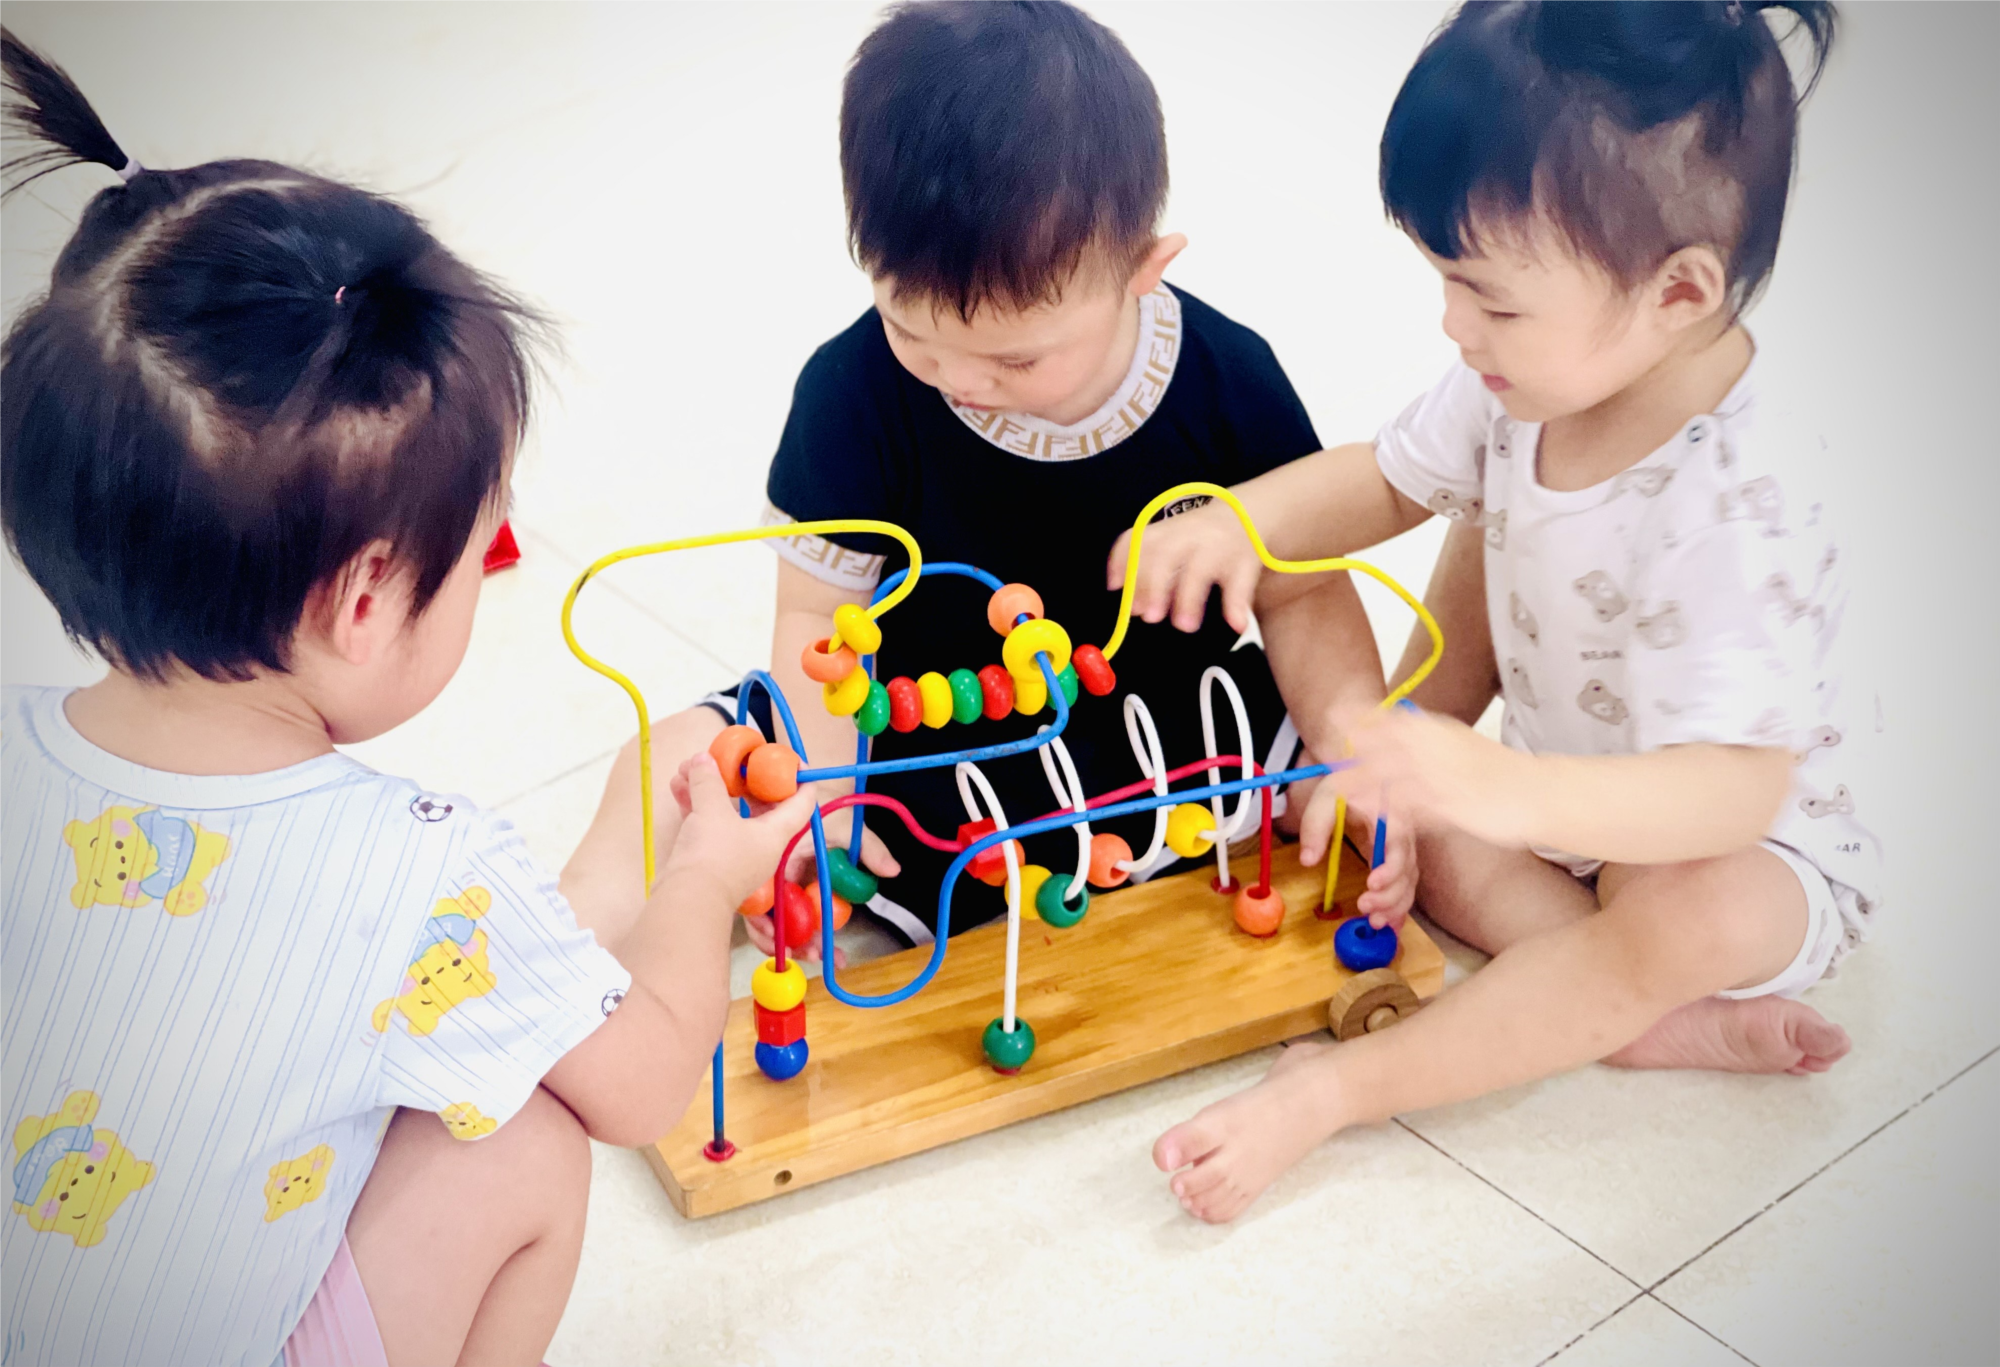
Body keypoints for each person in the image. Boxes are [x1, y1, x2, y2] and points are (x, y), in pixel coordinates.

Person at [0, 30, 811, 1367]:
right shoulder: (420, 865)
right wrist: (703, 880)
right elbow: (642, 1082)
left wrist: (614, 852)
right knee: (523, 1138)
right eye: (481, 549)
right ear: (366, 600)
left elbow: (424, 977)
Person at [1123, 0, 1881, 1223]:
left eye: (1490, 297)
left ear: (1678, 292)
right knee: (1393, 819)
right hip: (1560, 809)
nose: (1451, 323)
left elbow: (1733, 792)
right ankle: (1627, 1013)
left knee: (1693, 907)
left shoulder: (1744, 501)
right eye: (1445, 281)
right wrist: (1234, 522)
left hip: (1733, 844)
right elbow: (1382, 481)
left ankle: (1346, 1086)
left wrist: (1503, 787)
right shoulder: (1519, 383)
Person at [619, 0, 1392, 955]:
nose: (959, 380)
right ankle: (574, 966)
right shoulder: (852, 392)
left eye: (1015, 359)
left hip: (1168, 724)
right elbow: (816, 617)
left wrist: (1349, 743)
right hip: (924, 745)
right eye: (910, 328)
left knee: (1383, 774)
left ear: (1144, 270)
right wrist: (821, 798)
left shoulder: (1226, 378)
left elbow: (1304, 591)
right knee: (661, 775)